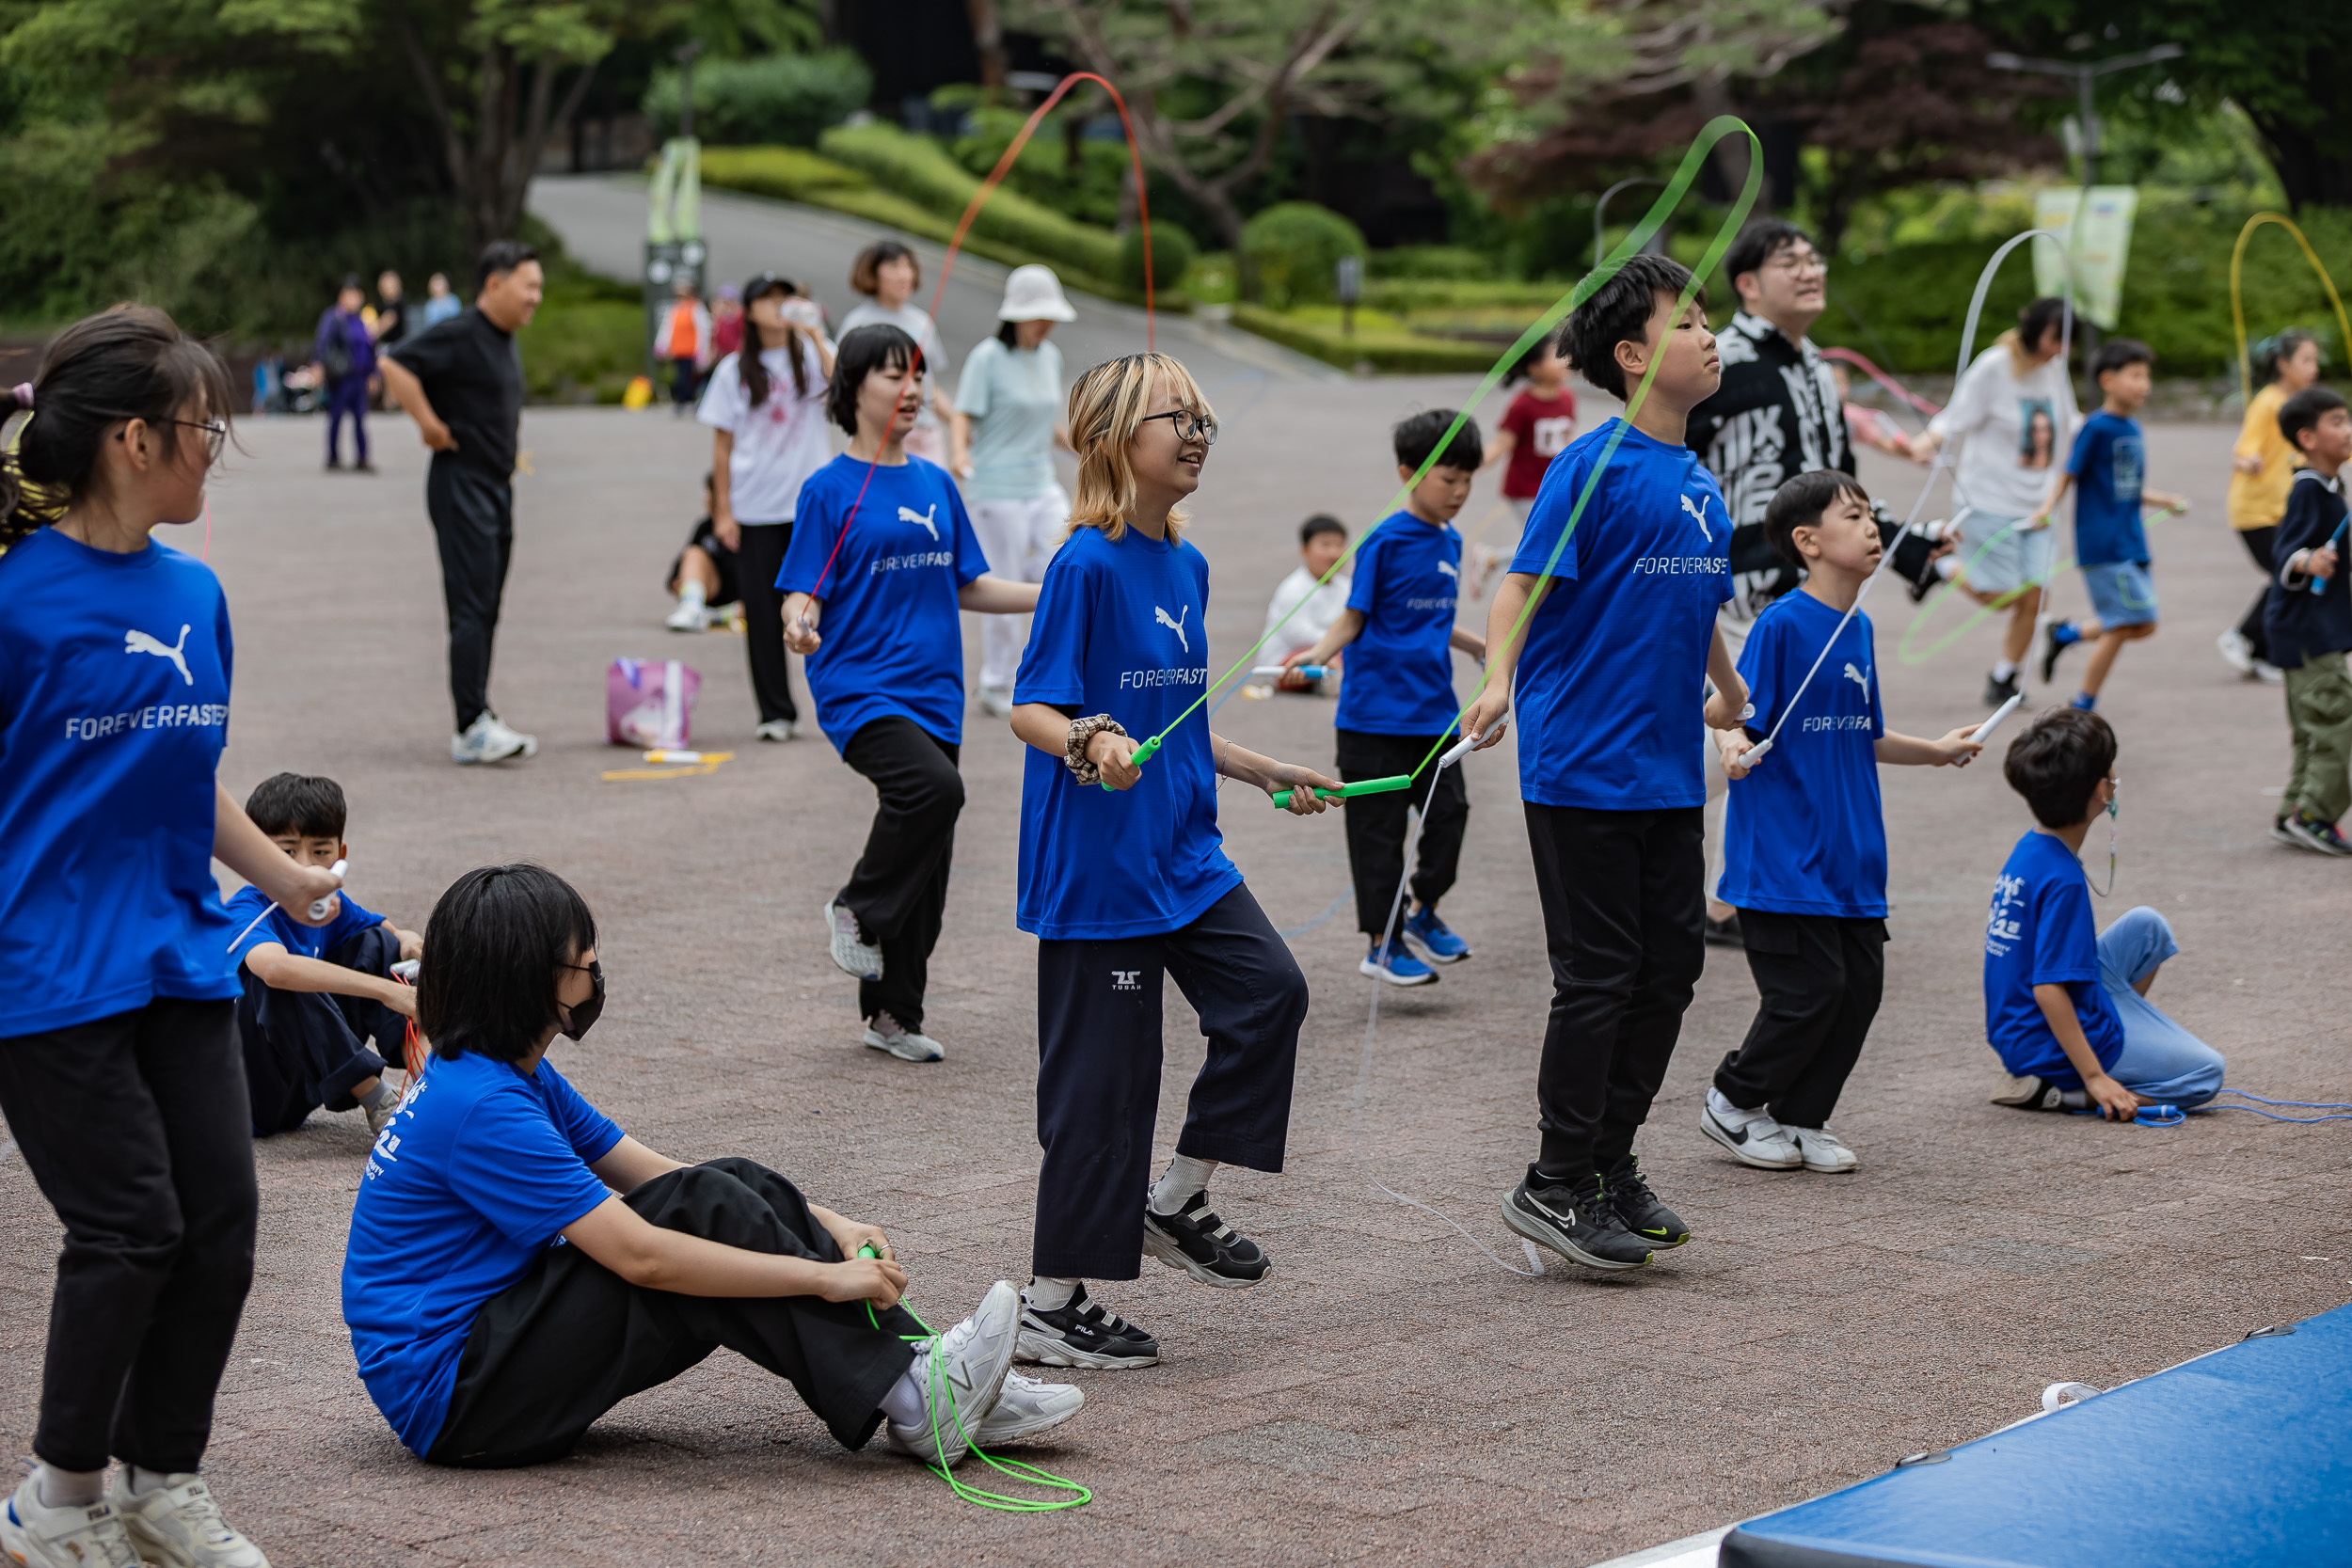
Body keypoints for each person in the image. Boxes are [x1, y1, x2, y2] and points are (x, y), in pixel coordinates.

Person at [342, 863, 1080, 1471]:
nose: (596, 964)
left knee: (726, 1181)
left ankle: (923, 1374)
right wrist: (826, 1275)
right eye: (581, 954)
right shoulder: (481, 1104)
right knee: (696, 1210)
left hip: (490, 1344)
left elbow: (654, 1171)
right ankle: (920, 1399)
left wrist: (829, 1220)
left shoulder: (504, 1069)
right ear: (526, 979)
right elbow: (643, 1256)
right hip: (461, 1395)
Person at [0, 306, 344, 1568]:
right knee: (130, 1227)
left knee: (219, 1224)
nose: (218, 451)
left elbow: (179, 770)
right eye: (205, 429)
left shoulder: (196, 593)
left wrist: (289, 882)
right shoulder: (14, 603)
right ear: (133, 438)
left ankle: (159, 1483)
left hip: (178, 952)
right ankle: (56, 1498)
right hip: (43, 968)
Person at [1006, 352, 1341, 1370]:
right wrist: (1087, 744)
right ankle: (1048, 1302)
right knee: (1105, 1087)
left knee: (1269, 993)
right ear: (1114, 439)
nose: (1196, 434)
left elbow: (1179, 723)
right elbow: (1031, 703)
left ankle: (1178, 1194)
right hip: (1101, 871)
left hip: (1185, 853)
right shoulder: (1083, 565)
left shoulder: (1182, 565)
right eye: (1173, 418)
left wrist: (1258, 766)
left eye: (1203, 420)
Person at [1463, 253, 1751, 1273]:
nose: (1710, 332)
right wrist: (1496, 682)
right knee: (1598, 977)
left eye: (1710, 316)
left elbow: (1696, 597)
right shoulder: (1590, 468)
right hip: (1580, 761)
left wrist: (1726, 686)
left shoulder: (1702, 483)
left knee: (1668, 970)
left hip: (1667, 766)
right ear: (1631, 357)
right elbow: (1517, 589)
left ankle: (1608, 1162)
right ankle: (1552, 1180)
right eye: (1688, 321)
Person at [1706, 471, 1984, 1173]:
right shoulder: (1781, 625)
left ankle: (1803, 1114)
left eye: (1870, 515)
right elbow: (1734, 713)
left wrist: (1938, 752)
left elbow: (1866, 734)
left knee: (1860, 989)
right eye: (1854, 516)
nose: (1871, 527)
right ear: (1808, 542)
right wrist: (1733, 748)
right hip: (1784, 855)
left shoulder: (1857, 627)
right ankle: (1733, 1099)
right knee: (1810, 990)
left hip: (1852, 856)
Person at [779, 325, 1041, 1062]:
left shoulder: (935, 482)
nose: (912, 390)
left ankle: (892, 1012)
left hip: (936, 692)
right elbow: (803, 592)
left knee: (931, 853)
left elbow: (970, 584)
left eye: (919, 376)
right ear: (853, 388)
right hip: (860, 688)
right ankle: (855, 905)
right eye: (894, 375)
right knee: (935, 790)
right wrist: (799, 623)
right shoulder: (828, 490)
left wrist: (1050, 588)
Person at [1684, 221, 1854, 950]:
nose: (1811, 270)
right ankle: (1644, 840)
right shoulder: (1715, 359)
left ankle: (1730, 900)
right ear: (1748, 282)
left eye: (1814, 258)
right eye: (1791, 262)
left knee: (1775, 735)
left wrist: (1911, 550)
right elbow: (1668, 454)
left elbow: (1839, 482)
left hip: (1810, 587)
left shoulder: (1818, 368)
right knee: (1746, 733)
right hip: (1735, 588)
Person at [1285, 408, 1488, 986]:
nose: (1459, 492)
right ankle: (1383, 942)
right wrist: (1319, 656)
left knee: (1450, 815)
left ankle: (1423, 910)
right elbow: (1356, 617)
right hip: (1372, 719)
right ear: (1408, 473)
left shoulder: (1450, 540)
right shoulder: (1384, 541)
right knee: (1377, 837)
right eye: (1448, 479)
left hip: (1434, 716)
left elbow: (1433, 619)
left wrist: (1482, 647)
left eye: (1467, 480)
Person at [1984, 710, 2224, 1118]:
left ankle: (2105, 1050)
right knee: (2205, 1073)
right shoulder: (2064, 882)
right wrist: (2095, 1075)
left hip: (2015, 1026)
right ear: (2102, 790)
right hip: (2041, 1041)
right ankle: (2071, 1088)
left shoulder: (2032, 847)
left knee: (2148, 927)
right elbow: (2048, 989)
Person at [380, 240, 544, 766]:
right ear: (494, 284)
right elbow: (395, 365)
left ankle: (479, 712)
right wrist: (428, 424)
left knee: (488, 605)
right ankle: (469, 728)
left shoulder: (504, 336)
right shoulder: (463, 331)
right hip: (461, 484)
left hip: (496, 487)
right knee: (471, 607)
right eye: (529, 285)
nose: (536, 297)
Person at [229, 773, 423, 1140]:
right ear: (256, 855)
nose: (306, 866)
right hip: (245, 1093)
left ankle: (432, 1081)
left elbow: (394, 937)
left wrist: (415, 948)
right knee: (279, 978)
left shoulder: (330, 906)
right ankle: (378, 1100)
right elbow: (273, 968)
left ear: (341, 855)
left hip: (303, 1082)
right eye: (286, 852)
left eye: (321, 852)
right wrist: (387, 991)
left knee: (375, 943)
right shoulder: (246, 908)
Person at [1913, 298, 2081, 706]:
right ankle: (1943, 566)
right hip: (1989, 498)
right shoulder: (1994, 366)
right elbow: (1956, 416)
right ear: (2034, 331)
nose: (2061, 349)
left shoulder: (2054, 370)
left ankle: (2003, 677)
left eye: (2068, 341)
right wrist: (1925, 443)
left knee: (2037, 596)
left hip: (2038, 505)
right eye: (2055, 338)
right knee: (2003, 596)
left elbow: (2071, 423)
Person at [696, 274, 834, 738]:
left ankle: (842, 703)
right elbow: (721, 446)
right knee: (760, 610)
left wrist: (814, 332)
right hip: (755, 506)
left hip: (811, 505)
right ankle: (775, 712)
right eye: (768, 299)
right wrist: (723, 510)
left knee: (828, 604)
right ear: (749, 310)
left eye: (785, 297)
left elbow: (846, 386)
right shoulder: (733, 369)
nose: (778, 306)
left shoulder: (812, 355)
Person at [2034, 340, 2188, 711]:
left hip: (2132, 540)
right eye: (2135, 375)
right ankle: (2083, 705)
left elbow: (2127, 488)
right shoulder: (2096, 428)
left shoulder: (2132, 428)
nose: (2144, 384)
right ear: (2107, 379)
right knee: (2125, 623)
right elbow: (2069, 473)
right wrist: (2046, 510)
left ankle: (2067, 634)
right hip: (2103, 544)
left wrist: (2164, 499)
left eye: (2146, 376)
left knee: (2142, 624)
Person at [952, 264, 1077, 717]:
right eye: (1038, 314)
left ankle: (1054, 676)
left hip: (1040, 484)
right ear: (1016, 314)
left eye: (1051, 315)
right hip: (995, 488)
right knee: (1001, 582)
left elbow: (1048, 425)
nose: (1047, 323)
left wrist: (1087, 448)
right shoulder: (987, 357)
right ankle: (997, 682)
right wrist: (959, 455)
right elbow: (964, 414)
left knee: (1064, 567)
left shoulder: (1050, 357)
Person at [2261, 385, 2352, 855]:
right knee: (2338, 721)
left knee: (2314, 724)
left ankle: (2292, 812)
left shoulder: (2330, 487)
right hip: (2307, 632)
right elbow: (2283, 551)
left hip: (2310, 631)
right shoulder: (2308, 490)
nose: (2348, 429)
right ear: (2308, 437)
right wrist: (2306, 561)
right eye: (2337, 421)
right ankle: (2314, 814)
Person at [2222, 329, 2322, 681]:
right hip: (2254, 510)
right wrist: (2249, 461)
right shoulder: (2267, 402)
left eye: (2315, 360)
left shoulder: (2307, 403)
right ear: (2283, 364)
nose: (2314, 367)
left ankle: (2263, 654)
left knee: (2290, 574)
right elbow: (2242, 449)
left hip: (2282, 511)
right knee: (2288, 573)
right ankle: (2242, 635)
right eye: (2306, 360)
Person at [840, 240, 955, 466]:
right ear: (873, 273)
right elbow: (844, 382)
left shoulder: (923, 322)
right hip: (880, 435)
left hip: (925, 435)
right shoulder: (858, 323)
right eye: (893, 267)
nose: (904, 275)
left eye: (908, 266)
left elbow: (931, 385)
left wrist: (957, 423)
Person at [1486, 332, 1579, 524]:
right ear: (1534, 368)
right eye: (1556, 355)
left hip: (1555, 485)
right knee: (1545, 540)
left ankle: (1491, 556)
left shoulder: (1568, 399)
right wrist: (1469, 464)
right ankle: (1492, 556)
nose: (1564, 359)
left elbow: (1567, 437)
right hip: (1525, 490)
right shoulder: (1522, 405)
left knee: (1555, 539)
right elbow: (1502, 443)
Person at [1260, 514, 1350, 688]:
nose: (1333, 553)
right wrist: (1339, 640)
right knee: (1329, 660)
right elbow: (1298, 634)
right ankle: (1334, 681)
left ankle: (1333, 680)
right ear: (1305, 550)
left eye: (1339, 545)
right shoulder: (1293, 588)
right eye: (1325, 545)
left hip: (1330, 651)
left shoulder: (1347, 587)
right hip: (1287, 658)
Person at [666, 470, 742, 633]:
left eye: (712, 494)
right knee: (694, 553)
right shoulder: (705, 527)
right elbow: (678, 572)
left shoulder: (751, 530)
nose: (707, 499)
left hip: (744, 599)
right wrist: (680, 582)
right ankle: (692, 608)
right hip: (712, 591)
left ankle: (712, 617)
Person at [314, 275, 376, 473]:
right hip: (341, 377)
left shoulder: (362, 319)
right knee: (336, 417)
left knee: (360, 418)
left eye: (356, 295)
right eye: (349, 295)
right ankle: (333, 457)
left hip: (359, 377)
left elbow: (370, 347)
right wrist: (318, 365)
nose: (353, 299)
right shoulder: (334, 317)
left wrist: (373, 373)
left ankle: (363, 458)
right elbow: (322, 343)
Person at [657, 277, 711, 415]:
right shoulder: (675, 308)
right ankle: (683, 401)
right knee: (681, 377)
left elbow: (703, 330)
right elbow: (667, 329)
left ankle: (687, 401)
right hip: (678, 350)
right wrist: (661, 345)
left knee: (687, 378)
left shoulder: (696, 308)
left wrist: (703, 350)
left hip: (691, 350)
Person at [709, 281, 744, 361]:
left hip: (735, 352)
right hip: (722, 353)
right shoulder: (719, 316)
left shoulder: (739, 314)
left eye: (727, 302)